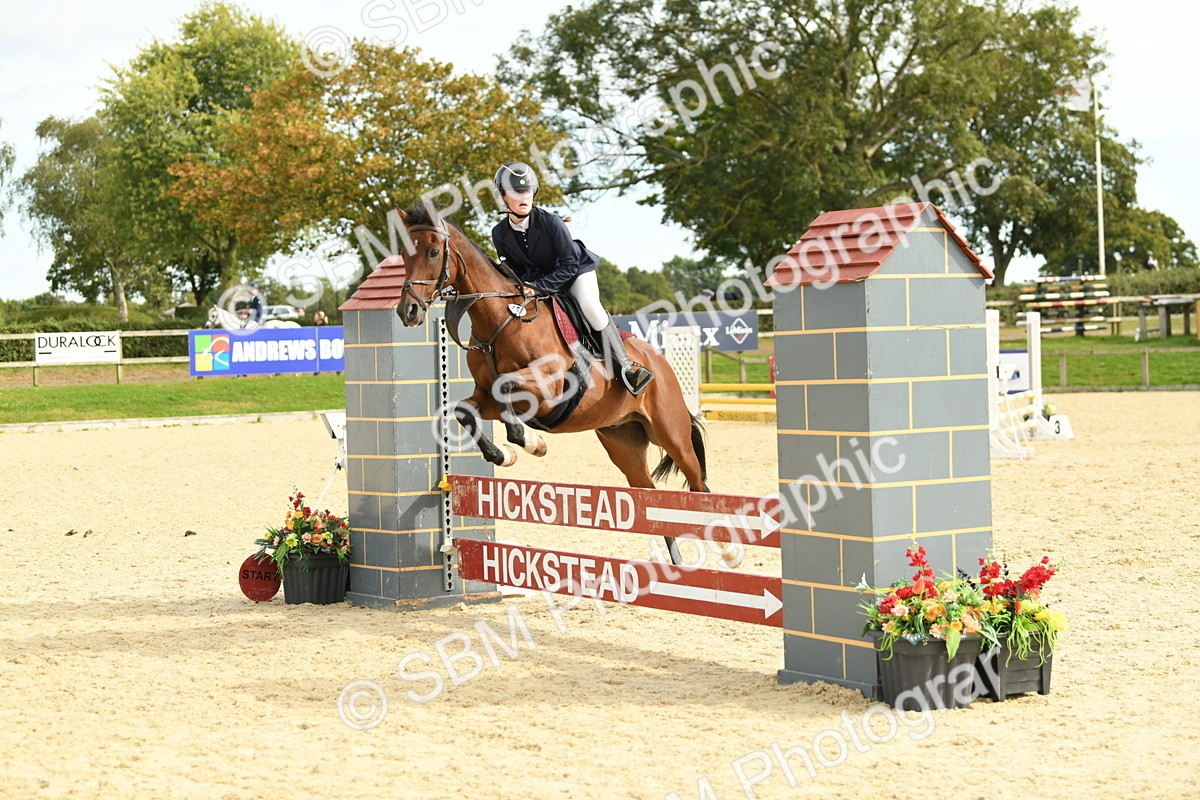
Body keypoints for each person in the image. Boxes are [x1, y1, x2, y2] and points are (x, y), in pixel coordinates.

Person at [490, 161, 653, 396]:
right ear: (503, 197)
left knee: (591, 309)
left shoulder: (551, 222)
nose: (523, 196)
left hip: (575, 273)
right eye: (516, 192)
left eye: (527, 191)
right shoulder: (499, 233)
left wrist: (538, 287)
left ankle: (627, 367)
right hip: (538, 283)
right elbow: (513, 269)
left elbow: (570, 264)